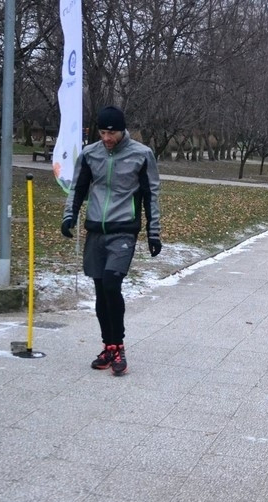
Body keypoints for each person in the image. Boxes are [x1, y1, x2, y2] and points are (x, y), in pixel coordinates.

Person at [61, 106, 162, 375]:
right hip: (96, 231)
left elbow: (151, 195)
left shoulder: (141, 155)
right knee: (99, 290)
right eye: (103, 132)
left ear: (122, 131)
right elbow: (79, 187)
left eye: (112, 133)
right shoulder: (90, 153)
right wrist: (69, 216)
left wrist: (154, 233)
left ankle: (119, 346)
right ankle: (109, 346)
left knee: (111, 283)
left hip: (123, 231)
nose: (107, 138)